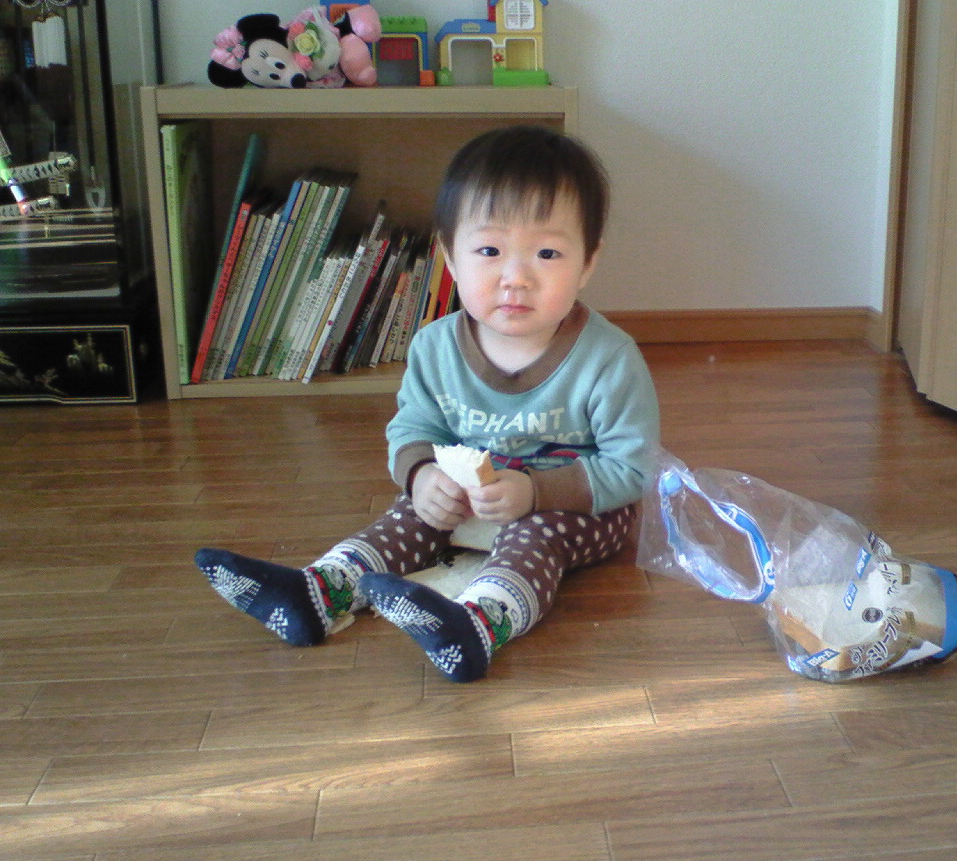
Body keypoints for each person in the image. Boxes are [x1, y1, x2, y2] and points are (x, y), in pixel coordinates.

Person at [195, 125, 660, 682]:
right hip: (474, 494)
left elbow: (632, 467)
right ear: (450, 257)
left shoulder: (608, 358)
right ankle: (316, 592)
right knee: (410, 514)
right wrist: (421, 477)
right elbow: (413, 429)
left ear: (587, 262)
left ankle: (478, 624)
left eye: (547, 252)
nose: (516, 278)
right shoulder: (435, 347)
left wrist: (536, 492)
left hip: (576, 504)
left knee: (537, 533)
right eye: (489, 251)